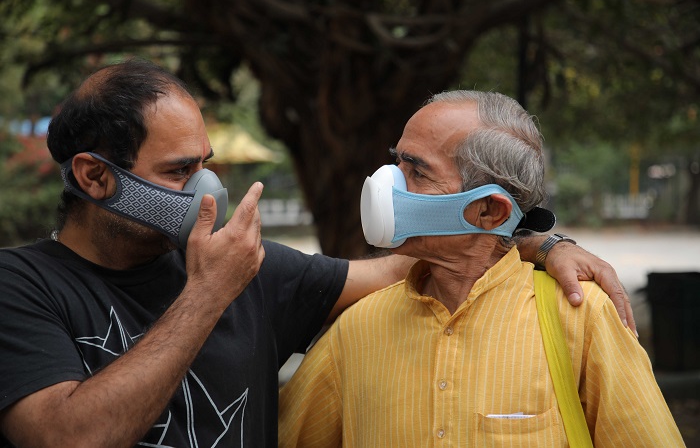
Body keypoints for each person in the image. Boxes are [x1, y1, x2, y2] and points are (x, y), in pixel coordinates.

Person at [0, 60, 630, 448]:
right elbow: (66, 437)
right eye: (179, 170)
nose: (205, 189)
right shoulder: (22, 286)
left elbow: (419, 261)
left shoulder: (255, 271)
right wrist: (208, 295)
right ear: (94, 176)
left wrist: (536, 238)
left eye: (205, 165)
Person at [278, 90, 684, 447]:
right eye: (396, 163)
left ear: (489, 210)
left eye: (417, 171)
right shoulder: (356, 329)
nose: (387, 184)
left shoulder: (581, 318)